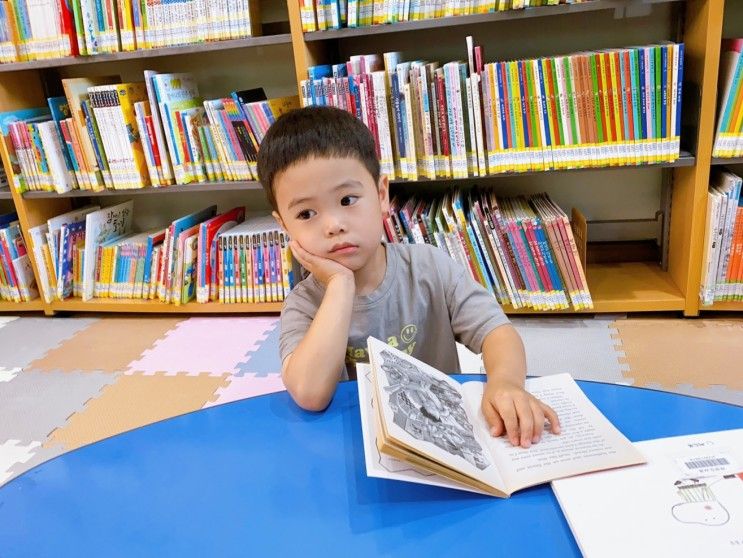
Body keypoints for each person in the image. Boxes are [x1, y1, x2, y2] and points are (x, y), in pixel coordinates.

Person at [257, 105, 560, 448]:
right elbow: (310, 394)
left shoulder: (430, 267)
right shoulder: (302, 304)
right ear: (283, 224)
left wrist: (506, 382)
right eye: (306, 213)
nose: (333, 225)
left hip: (443, 436)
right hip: (354, 444)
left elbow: (496, 332)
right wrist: (340, 285)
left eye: (347, 199)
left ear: (382, 195)